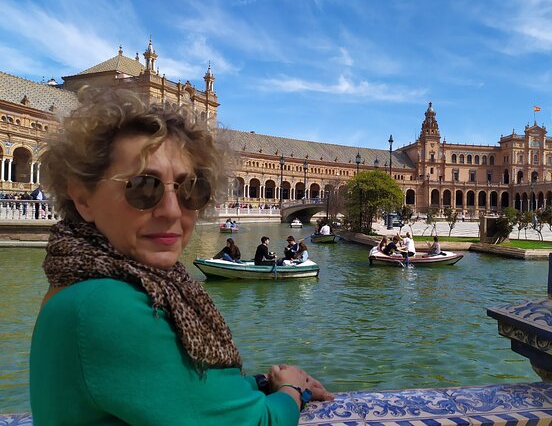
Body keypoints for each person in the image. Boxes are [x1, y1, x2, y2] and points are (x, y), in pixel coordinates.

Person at [30, 88, 332, 426]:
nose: (173, 211)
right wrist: (292, 391)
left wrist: (263, 383)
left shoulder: (87, 285)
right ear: (83, 197)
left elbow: (182, 391)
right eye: (144, 187)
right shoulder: (107, 305)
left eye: (191, 189)